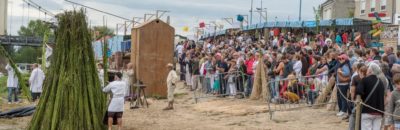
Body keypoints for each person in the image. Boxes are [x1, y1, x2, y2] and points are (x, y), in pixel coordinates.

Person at [356, 63, 385, 130]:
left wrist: (361, 80)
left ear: (370, 70)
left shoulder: (365, 80)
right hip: (379, 110)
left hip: (367, 110)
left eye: (368, 68)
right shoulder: (380, 82)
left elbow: (358, 91)